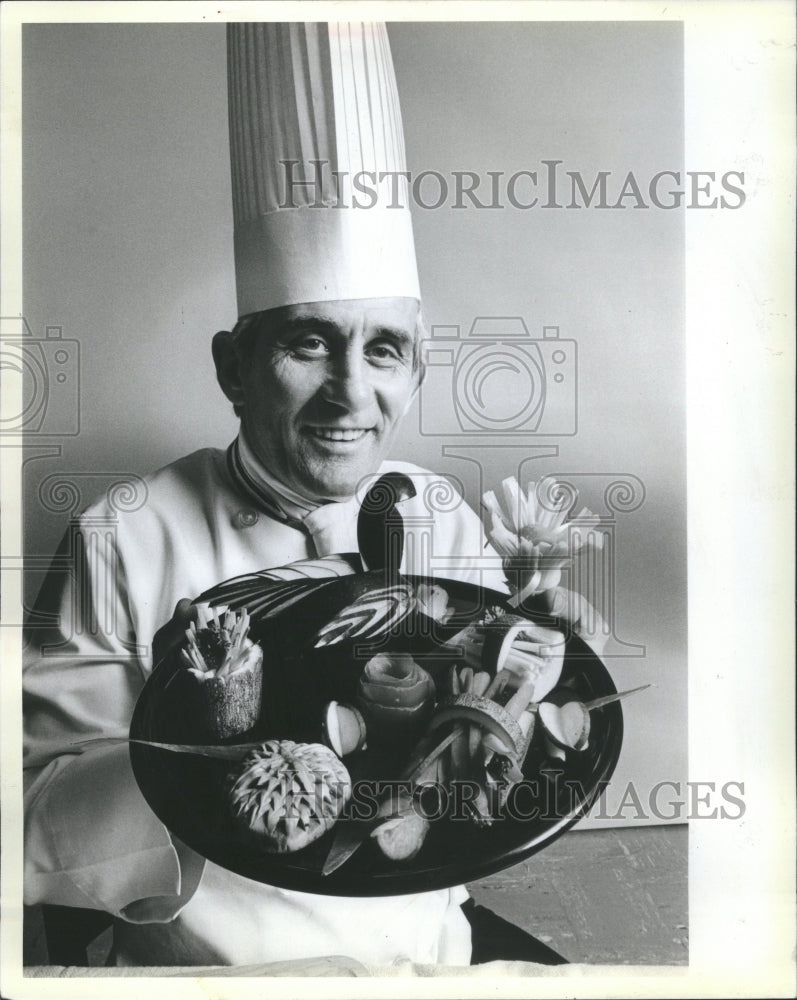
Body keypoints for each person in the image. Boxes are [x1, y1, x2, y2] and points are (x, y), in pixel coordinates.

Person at [23, 22, 583, 968]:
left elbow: (479, 782)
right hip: (211, 966)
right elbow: (33, 822)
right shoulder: (122, 534)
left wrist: (531, 680)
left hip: (425, 955)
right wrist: (193, 751)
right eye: (308, 342)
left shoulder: (438, 513)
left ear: (414, 369)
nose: (349, 396)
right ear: (234, 366)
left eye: (382, 350)